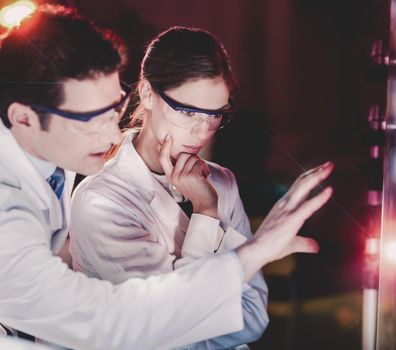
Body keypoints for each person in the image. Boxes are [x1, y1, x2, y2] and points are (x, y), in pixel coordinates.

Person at [0, 5, 333, 350]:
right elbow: (121, 324)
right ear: (24, 119)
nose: (115, 135)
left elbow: (251, 318)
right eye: (91, 118)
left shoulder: (59, 161)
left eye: (115, 108)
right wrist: (246, 247)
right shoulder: (31, 204)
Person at [69, 27, 269, 350]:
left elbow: (255, 316)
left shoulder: (223, 183)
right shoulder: (100, 202)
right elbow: (173, 334)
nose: (202, 131)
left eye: (215, 114)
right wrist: (205, 213)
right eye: (188, 111)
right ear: (147, 93)